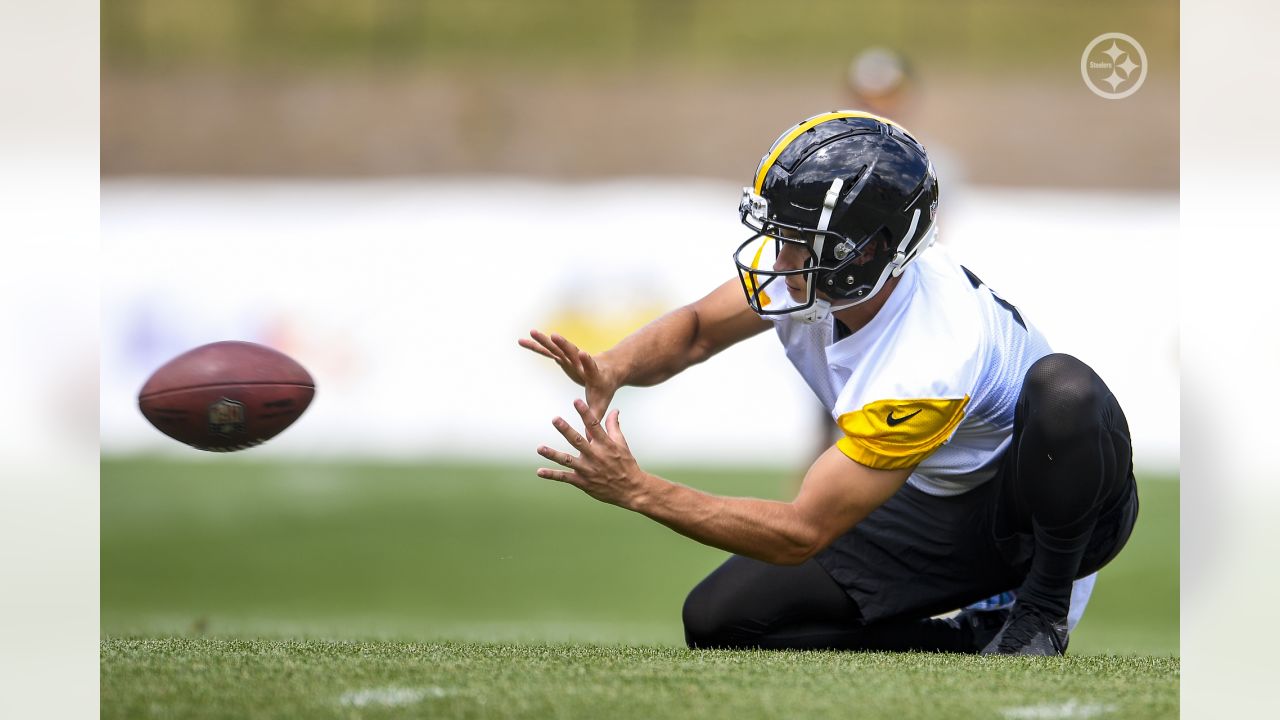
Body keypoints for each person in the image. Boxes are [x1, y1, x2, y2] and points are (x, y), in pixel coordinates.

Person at [519, 111, 1138, 655]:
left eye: (796, 241)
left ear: (863, 253)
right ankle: (961, 640)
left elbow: (801, 532)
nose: (777, 256)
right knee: (720, 620)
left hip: (1046, 508)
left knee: (1065, 390)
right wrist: (614, 365)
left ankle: (1040, 614)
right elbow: (699, 330)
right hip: (939, 493)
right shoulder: (823, 269)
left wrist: (638, 490)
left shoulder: (931, 355)